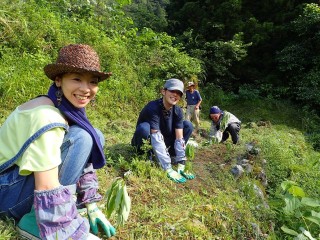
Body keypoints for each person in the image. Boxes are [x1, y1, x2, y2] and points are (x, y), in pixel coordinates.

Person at [0, 44, 116, 240]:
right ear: (59, 80)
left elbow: (81, 158)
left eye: (93, 82)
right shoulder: (47, 116)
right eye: (77, 79)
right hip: (6, 194)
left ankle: (52, 208)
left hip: (17, 184)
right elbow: (46, 185)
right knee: (82, 137)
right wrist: (58, 224)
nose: (86, 89)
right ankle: (35, 221)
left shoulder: (63, 108)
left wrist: (91, 205)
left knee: (93, 134)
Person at [131, 78, 195, 183]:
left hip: (164, 140)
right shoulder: (153, 107)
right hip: (147, 141)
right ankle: (146, 156)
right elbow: (156, 136)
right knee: (144, 128)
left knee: (187, 125)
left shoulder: (178, 111)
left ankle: (173, 156)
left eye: (178, 93)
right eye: (172, 91)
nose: (175, 95)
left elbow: (179, 137)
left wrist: (181, 161)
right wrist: (167, 167)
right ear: (163, 91)